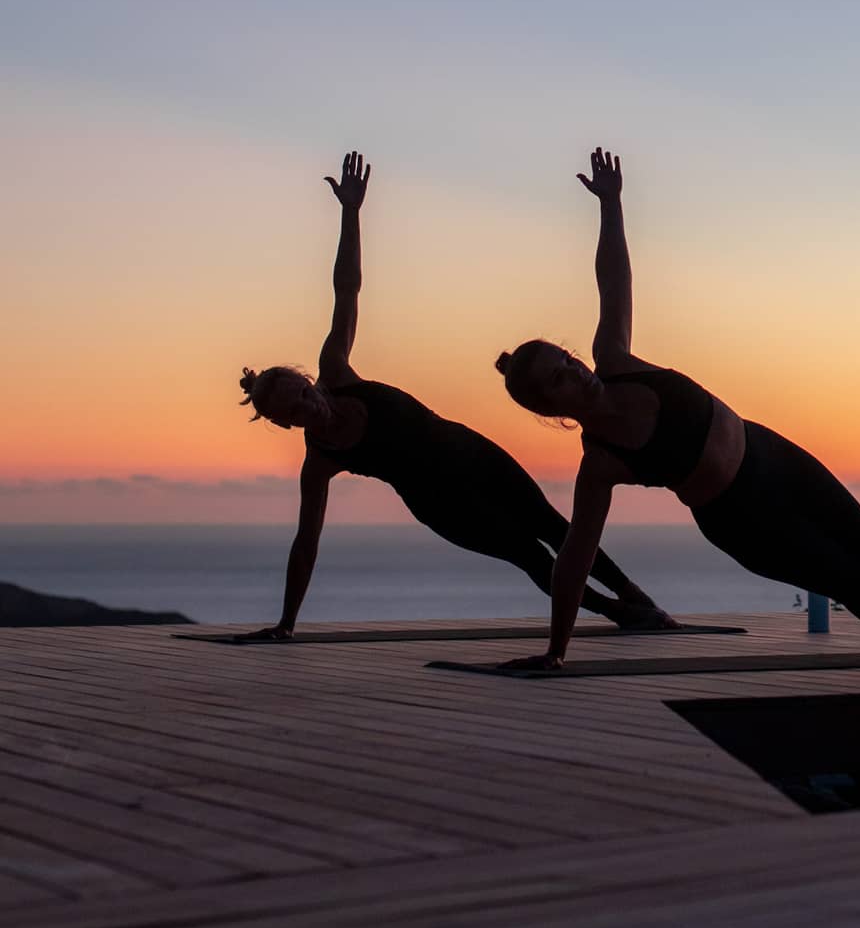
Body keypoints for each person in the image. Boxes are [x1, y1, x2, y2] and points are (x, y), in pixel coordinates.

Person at [496, 147, 860, 669]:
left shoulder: (614, 358)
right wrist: (556, 650)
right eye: (558, 379)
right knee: (851, 583)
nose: (574, 371)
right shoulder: (601, 463)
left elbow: (614, 281)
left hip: (770, 454)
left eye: (566, 359)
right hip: (744, 520)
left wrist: (611, 205)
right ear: (550, 407)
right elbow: (574, 558)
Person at [237, 150, 672, 639]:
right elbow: (306, 542)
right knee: (526, 554)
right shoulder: (319, 460)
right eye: (294, 410)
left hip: (472, 454)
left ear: (305, 379)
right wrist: (287, 623)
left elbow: (347, 289)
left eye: (301, 391)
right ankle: (621, 616)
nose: (307, 404)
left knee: (553, 526)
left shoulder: (336, 370)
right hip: (440, 504)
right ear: (284, 423)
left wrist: (351, 213)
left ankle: (638, 599)